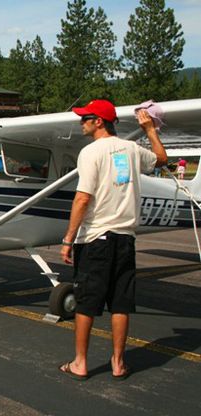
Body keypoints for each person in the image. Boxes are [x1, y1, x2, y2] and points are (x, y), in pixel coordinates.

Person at [59, 100, 167, 381]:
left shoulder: (90, 151)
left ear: (100, 122)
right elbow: (161, 159)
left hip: (96, 238)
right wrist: (150, 129)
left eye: (86, 118)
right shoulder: (132, 149)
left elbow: (83, 198)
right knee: (120, 303)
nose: (82, 122)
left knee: (85, 303)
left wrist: (68, 238)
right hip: (125, 239)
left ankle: (80, 362)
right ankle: (118, 363)